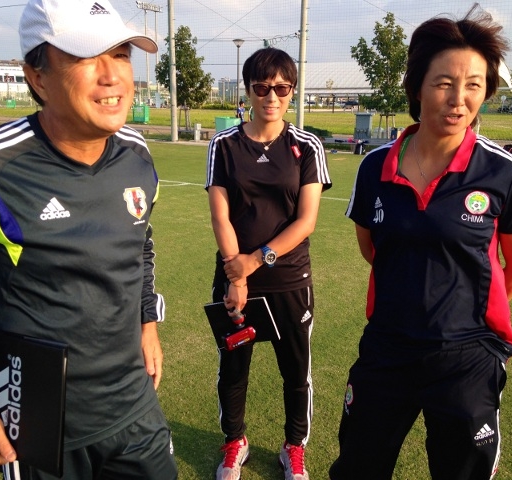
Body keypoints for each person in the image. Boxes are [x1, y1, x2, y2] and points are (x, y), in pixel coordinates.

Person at [0, 0, 178, 479]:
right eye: (86, 57)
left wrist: (146, 321)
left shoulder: (136, 155)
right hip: (38, 427)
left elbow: (141, 244)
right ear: (38, 76)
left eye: (120, 54)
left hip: (134, 408)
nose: (112, 75)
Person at [329, 6, 512, 480]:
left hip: (466, 358)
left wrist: (467, 318)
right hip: (387, 348)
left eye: (474, 84)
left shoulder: (504, 173)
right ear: (418, 86)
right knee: (359, 467)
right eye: (444, 82)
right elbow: (374, 249)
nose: (459, 99)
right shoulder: (374, 168)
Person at [205, 47, 331, 480]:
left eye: (281, 87)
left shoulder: (307, 145)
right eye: (262, 87)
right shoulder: (224, 145)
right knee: (234, 367)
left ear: (291, 91)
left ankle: (294, 447)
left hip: (290, 280)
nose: (271, 96)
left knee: (295, 372)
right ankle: (234, 441)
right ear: (249, 91)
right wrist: (234, 273)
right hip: (235, 282)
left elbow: (306, 220)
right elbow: (220, 215)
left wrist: (254, 262)